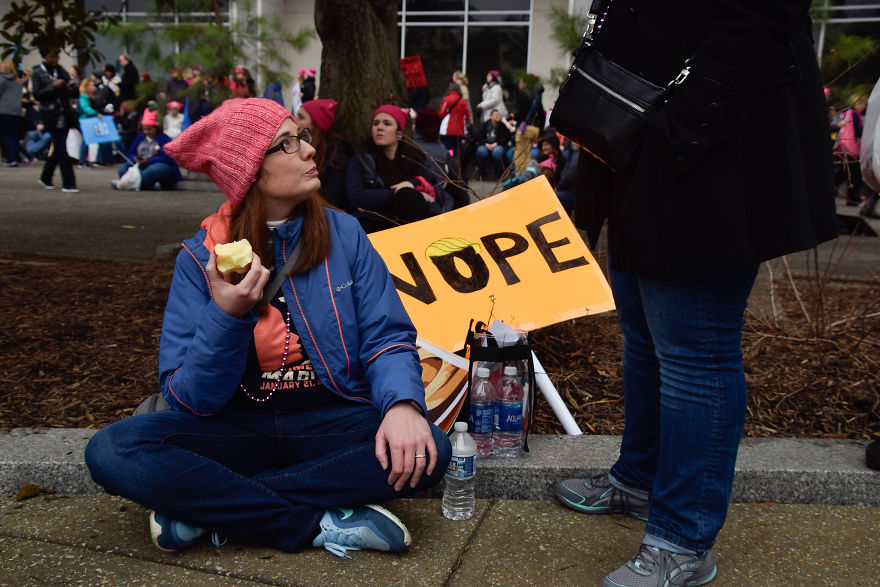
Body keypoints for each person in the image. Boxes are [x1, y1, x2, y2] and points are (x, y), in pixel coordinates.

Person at [84, 97, 451, 557]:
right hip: (234, 428)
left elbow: (386, 337)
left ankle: (210, 505)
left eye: (303, 137)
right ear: (249, 173)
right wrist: (226, 315)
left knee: (431, 446)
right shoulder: (200, 260)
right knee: (112, 450)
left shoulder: (346, 235)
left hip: (327, 424)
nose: (309, 151)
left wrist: (402, 406)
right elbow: (186, 397)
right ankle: (314, 522)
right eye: (287, 144)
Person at [553, 3, 839, 586]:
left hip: (706, 149)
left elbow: (760, 19)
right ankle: (639, 478)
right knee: (642, 329)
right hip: (645, 138)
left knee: (693, 350)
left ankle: (683, 539)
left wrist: (683, 120)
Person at [346, 104, 451, 232]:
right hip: (377, 225)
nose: (379, 128)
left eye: (387, 124)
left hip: (414, 222)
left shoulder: (414, 158)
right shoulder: (361, 159)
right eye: (376, 123)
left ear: (399, 134)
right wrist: (397, 193)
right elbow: (356, 196)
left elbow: (434, 186)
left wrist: (412, 184)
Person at [32, 48, 78, 192]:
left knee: (59, 145)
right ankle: (69, 182)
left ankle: (46, 177)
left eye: (57, 57)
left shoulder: (61, 70)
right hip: (49, 114)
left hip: (64, 113)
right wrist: (53, 86)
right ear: (45, 56)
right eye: (52, 57)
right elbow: (37, 94)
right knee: (61, 146)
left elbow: (71, 92)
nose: (55, 60)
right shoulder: (37, 73)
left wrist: (71, 86)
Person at [295, 98, 352, 210]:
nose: (295, 121)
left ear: (316, 125)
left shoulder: (336, 154)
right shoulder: (294, 147)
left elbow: (332, 199)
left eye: (301, 117)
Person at [111, 109, 180, 191]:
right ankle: (143, 184)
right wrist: (135, 158)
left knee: (154, 170)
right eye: (145, 129)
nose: (146, 132)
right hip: (140, 164)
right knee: (123, 169)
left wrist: (148, 161)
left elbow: (166, 158)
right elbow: (130, 152)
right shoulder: (140, 137)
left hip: (158, 164)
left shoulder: (164, 138)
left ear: (156, 128)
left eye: (149, 129)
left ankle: (128, 183)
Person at [511, 74, 544, 175]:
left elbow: (519, 113)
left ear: (525, 83)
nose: (519, 84)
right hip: (535, 129)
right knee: (528, 155)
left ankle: (522, 179)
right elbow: (542, 115)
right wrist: (540, 131)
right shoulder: (537, 95)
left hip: (524, 129)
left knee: (520, 156)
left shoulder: (523, 94)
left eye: (521, 81)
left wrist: (515, 116)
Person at [474, 109, 511, 180]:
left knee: (497, 152)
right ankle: (482, 174)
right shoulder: (485, 125)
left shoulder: (502, 126)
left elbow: (506, 138)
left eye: (498, 115)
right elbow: (478, 136)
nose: (498, 116)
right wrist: (485, 144)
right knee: (480, 151)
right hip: (486, 144)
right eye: (496, 115)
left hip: (498, 145)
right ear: (491, 116)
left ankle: (498, 174)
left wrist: (497, 143)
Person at [438, 82, 470, 163]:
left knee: (448, 149)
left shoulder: (446, 99)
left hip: (447, 129)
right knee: (457, 150)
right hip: (460, 130)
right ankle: (456, 170)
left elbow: (441, 114)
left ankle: (448, 168)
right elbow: (467, 116)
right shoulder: (463, 101)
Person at [76, 78, 104, 167]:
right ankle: (82, 161)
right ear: (86, 86)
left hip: (94, 121)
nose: (93, 87)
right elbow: (86, 108)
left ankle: (98, 160)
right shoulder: (83, 97)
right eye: (91, 85)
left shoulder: (92, 96)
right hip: (87, 121)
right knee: (86, 140)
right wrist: (96, 113)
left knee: (99, 139)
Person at [0, 60, 23, 167]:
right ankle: (16, 157)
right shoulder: (18, 81)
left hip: (4, 110)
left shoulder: (1, 79)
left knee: (6, 135)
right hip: (17, 111)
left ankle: (11, 158)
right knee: (14, 135)